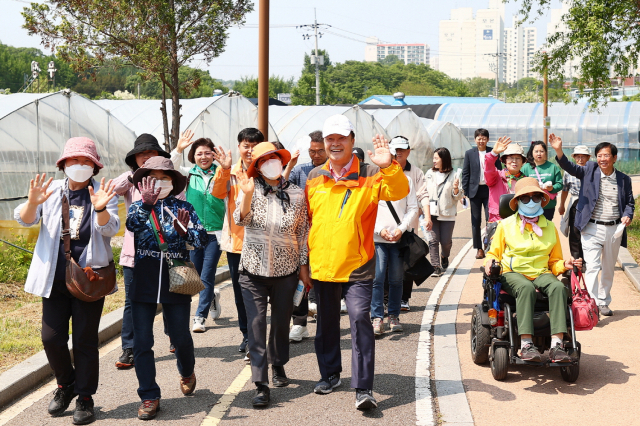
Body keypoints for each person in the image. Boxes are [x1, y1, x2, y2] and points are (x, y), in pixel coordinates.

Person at [306, 115, 409, 410]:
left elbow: (399, 191)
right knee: (325, 325)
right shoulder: (314, 177)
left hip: (358, 267)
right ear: (325, 143)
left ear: (352, 140)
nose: (335, 144)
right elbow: (309, 221)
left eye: (341, 138)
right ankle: (330, 375)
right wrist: (306, 263)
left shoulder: (372, 174)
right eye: (330, 139)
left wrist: (389, 165)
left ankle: (363, 387)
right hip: (324, 266)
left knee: (360, 320)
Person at [15, 137, 120, 425]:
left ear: (95, 167)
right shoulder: (49, 192)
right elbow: (25, 220)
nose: (80, 166)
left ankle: (85, 397)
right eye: (74, 161)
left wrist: (99, 209)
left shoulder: (102, 193)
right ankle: (66, 384)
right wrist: (31, 202)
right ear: (63, 164)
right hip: (54, 280)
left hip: (89, 280)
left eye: (86, 161)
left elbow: (110, 228)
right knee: (51, 338)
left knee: (85, 341)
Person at [126, 157, 208, 420]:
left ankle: (187, 370)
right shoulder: (139, 207)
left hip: (177, 277)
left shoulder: (184, 207)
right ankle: (149, 395)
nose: (159, 183)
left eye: (165, 178)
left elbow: (201, 238)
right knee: (142, 342)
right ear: (143, 183)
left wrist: (185, 233)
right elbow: (132, 226)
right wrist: (146, 206)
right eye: (153, 178)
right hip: (144, 279)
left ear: (173, 182)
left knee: (180, 337)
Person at [234, 142, 310, 407]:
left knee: (280, 323)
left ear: (281, 161)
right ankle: (260, 384)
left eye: (275, 158)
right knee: (256, 326)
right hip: (253, 271)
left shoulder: (298, 194)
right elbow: (240, 220)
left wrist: (303, 269)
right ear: (257, 166)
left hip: (286, 271)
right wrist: (244, 195)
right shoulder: (249, 187)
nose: (271, 163)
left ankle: (278, 364)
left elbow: (303, 233)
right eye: (264, 160)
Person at [113, 131, 193, 368]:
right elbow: (113, 188)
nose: (146, 157)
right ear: (134, 159)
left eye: (151, 153)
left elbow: (181, 209)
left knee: (171, 299)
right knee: (132, 302)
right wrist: (135, 177)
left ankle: (174, 336)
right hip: (135, 256)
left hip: (168, 254)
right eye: (141, 154)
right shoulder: (131, 182)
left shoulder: (171, 186)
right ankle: (128, 348)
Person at [485, 177, 582, 362]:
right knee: (526, 288)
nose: (531, 202)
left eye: (535, 197)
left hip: (541, 273)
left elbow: (554, 262)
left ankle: (557, 346)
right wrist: (489, 262)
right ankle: (526, 344)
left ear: (541, 200)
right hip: (513, 273)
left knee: (559, 288)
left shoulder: (550, 227)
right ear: (517, 202)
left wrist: (565, 265)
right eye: (525, 198)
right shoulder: (505, 226)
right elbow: (493, 254)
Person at [550, 134, 635, 316]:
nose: (602, 159)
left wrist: (628, 215)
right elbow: (570, 167)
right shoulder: (589, 170)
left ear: (614, 158)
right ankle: (592, 304)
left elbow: (629, 203)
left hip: (614, 229)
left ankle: (604, 301)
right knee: (592, 266)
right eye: (599, 155)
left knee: (608, 268)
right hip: (591, 227)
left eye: (606, 155)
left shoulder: (624, 180)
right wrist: (558, 150)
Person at [211, 128, 264, 356]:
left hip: (264, 243)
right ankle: (247, 335)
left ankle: (260, 335)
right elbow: (216, 193)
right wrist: (223, 169)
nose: (250, 150)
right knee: (241, 294)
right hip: (237, 245)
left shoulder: (267, 170)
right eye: (246, 145)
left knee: (263, 294)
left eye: (254, 146)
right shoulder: (230, 172)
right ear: (239, 147)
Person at [371, 146, 418, 334]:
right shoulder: (373, 180)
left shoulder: (406, 180)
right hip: (378, 238)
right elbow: (367, 209)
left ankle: (393, 315)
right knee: (378, 278)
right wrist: (379, 230)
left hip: (398, 239)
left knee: (397, 279)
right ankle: (376, 317)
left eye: (391, 157)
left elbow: (413, 208)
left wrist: (401, 228)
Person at [289, 130, 326, 342]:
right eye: (312, 151)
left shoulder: (334, 173)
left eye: (320, 150)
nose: (316, 155)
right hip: (301, 235)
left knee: (324, 281)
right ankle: (300, 323)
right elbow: (281, 188)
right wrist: (290, 166)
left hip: (325, 235)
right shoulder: (300, 171)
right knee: (300, 279)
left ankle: (326, 323)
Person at [186, 138, 226, 332]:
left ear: (214, 155)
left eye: (208, 153)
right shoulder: (187, 175)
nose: (204, 157)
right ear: (193, 156)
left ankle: (199, 317)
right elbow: (170, 166)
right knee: (196, 277)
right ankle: (212, 297)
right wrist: (178, 149)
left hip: (215, 233)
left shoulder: (221, 173)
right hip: (193, 233)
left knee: (207, 275)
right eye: (199, 153)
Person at [387, 136, 430, 311]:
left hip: (409, 226)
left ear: (408, 151)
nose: (398, 153)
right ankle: (386, 299)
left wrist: (427, 217)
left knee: (407, 262)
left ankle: (404, 299)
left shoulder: (416, 173)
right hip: (386, 227)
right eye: (395, 150)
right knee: (386, 264)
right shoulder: (381, 171)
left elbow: (423, 195)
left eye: (402, 150)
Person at [462, 128, 501, 259]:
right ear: (475, 139)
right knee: (475, 220)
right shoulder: (469, 153)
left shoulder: (493, 152)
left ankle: (490, 244)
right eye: (479, 138)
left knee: (490, 219)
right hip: (475, 191)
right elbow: (465, 173)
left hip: (490, 190)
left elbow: (499, 170)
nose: (481, 140)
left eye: (484, 138)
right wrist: (465, 191)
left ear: (487, 139)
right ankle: (478, 248)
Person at [425, 148, 464, 277]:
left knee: (446, 242)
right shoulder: (429, 173)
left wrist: (456, 189)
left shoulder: (454, 175)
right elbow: (424, 192)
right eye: (433, 158)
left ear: (444, 159)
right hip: (432, 212)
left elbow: (458, 197)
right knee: (433, 240)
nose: (434, 161)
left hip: (448, 213)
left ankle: (444, 255)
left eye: (436, 158)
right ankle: (435, 266)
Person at [558, 145, 591, 262]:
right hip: (575, 203)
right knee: (575, 231)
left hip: (590, 203)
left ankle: (587, 260)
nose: (580, 159)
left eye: (583, 157)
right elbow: (565, 190)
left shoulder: (593, 171)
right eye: (578, 157)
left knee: (588, 231)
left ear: (588, 158)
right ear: (574, 158)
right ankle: (576, 258)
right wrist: (562, 205)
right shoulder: (568, 172)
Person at [521, 141, 563, 220]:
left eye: (542, 151)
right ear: (532, 152)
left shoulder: (552, 167)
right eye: (536, 151)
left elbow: (560, 184)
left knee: (546, 228)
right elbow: (521, 184)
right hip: (531, 205)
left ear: (546, 152)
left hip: (548, 205)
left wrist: (552, 188)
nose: (539, 154)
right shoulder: (526, 168)